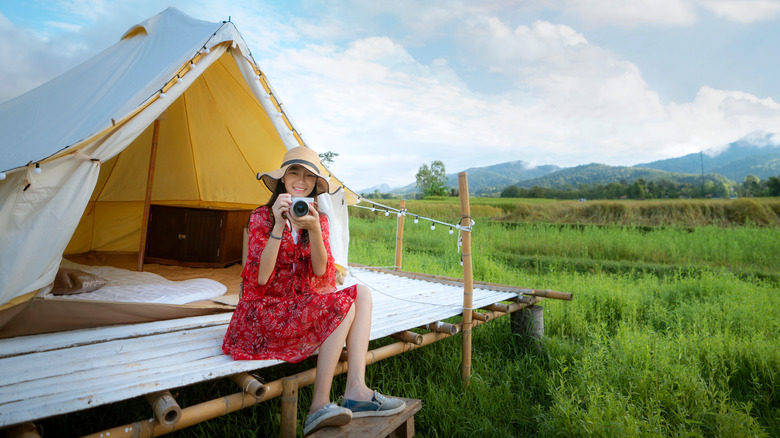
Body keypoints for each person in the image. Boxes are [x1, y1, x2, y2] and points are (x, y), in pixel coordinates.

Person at [222, 146, 405, 435]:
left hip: (297, 307)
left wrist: (316, 230)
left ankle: (356, 388)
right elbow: (260, 278)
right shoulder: (262, 216)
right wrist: (279, 225)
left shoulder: (316, 218)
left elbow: (322, 272)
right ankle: (318, 405)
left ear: (314, 185)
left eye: (308, 176)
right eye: (294, 172)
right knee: (342, 304)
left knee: (362, 294)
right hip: (265, 313)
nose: (301, 180)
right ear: (282, 178)